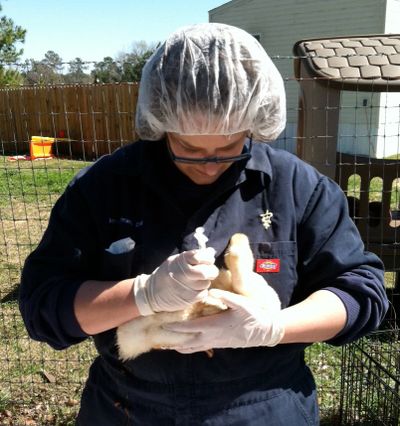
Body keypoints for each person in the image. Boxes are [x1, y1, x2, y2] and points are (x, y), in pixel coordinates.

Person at [19, 23, 388, 425]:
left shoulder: (298, 188)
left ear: (253, 124)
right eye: (189, 148)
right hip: (128, 407)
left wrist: (273, 327)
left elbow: (361, 293)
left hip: (264, 405)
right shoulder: (103, 187)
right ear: (161, 124)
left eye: (229, 147)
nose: (210, 165)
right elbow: (43, 307)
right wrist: (141, 295)